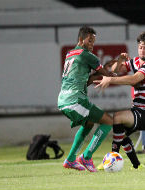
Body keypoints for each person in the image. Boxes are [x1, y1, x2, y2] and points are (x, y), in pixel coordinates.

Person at [95, 31, 145, 169]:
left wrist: (111, 79)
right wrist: (118, 61)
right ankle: (137, 165)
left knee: (117, 117)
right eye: (141, 47)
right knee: (120, 133)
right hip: (138, 110)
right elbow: (115, 70)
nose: (142, 50)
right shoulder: (135, 61)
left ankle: (111, 160)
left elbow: (134, 78)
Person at [57, 26, 115, 172]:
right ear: (81, 39)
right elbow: (107, 74)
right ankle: (86, 157)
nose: (92, 45)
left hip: (63, 100)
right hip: (75, 100)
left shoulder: (70, 54)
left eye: (93, 42)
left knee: (89, 123)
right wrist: (118, 64)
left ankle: (70, 160)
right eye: (89, 41)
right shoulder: (87, 55)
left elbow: (86, 80)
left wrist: (99, 75)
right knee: (108, 121)